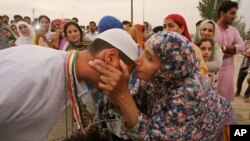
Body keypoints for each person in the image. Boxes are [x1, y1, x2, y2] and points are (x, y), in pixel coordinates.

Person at [89, 31, 234, 141]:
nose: (138, 61)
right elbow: (135, 105)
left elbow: (154, 137)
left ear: (168, 67)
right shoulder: (154, 78)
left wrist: (122, 94)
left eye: (149, 58)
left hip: (223, 128)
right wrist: (115, 91)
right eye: (143, 51)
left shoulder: (188, 93)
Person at [0, 29, 139, 141]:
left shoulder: (66, 74)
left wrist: (121, 95)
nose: (124, 80)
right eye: (126, 71)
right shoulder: (32, 74)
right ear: (110, 58)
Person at [215, 1, 245, 102]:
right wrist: (231, 50)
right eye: (232, 13)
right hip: (213, 74)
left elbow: (242, 47)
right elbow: (211, 52)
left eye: (235, 13)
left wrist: (222, 48)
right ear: (222, 14)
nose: (234, 16)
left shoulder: (234, 31)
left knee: (225, 103)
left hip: (228, 74)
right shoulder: (212, 29)